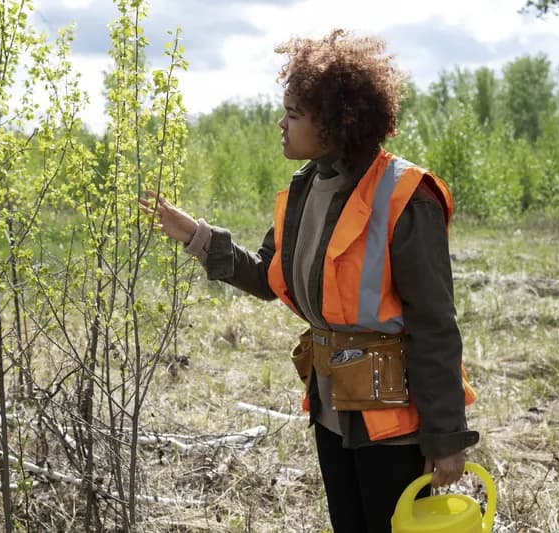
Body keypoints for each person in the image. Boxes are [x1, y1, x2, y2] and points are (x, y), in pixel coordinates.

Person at [140, 29, 479, 533]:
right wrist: (197, 236)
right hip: (332, 405)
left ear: (336, 121)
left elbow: (435, 325)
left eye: (294, 113)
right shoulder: (305, 188)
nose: (281, 123)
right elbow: (269, 277)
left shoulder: (408, 196)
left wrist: (446, 437)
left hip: (395, 422)